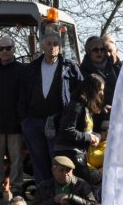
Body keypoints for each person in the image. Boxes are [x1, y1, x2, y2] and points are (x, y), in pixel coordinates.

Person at [20, 31, 82, 185]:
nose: (52, 47)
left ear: (60, 47)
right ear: (42, 46)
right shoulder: (31, 68)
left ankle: (59, 194)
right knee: (38, 161)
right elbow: (21, 94)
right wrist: (24, 120)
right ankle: (43, 194)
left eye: (56, 44)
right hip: (33, 122)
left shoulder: (70, 67)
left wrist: (71, 117)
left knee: (58, 161)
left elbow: (80, 93)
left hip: (58, 122)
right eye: (49, 44)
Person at [0, 35, 27, 200]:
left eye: (8, 48)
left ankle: (16, 188)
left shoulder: (23, 70)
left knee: (16, 158)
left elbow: (25, 95)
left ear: (14, 49)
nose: (5, 51)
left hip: (16, 122)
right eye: (1, 49)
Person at [55, 74, 105, 183]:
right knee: (88, 181)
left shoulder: (87, 107)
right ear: (91, 90)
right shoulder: (76, 106)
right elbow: (67, 130)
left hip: (80, 151)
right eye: (99, 90)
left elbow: (87, 131)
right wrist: (88, 137)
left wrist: (97, 136)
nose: (101, 93)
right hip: (69, 152)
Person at [78, 35, 121, 122]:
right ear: (89, 52)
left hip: (116, 116)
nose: (99, 52)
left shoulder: (114, 68)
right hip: (94, 120)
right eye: (95, 50)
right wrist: (102, 108)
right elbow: (81, 98)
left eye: (102, 49)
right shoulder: (81, 71)